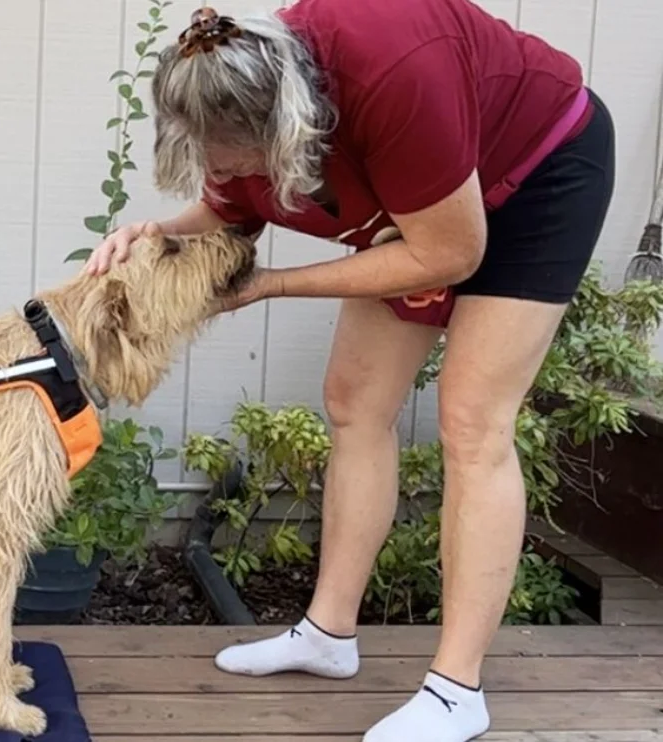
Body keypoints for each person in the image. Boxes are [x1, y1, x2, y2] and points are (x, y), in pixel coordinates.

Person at [83, 1, 616, 740]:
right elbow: (230, 213)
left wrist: (270, 286)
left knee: (471, 420)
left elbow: (449, 253)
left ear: (286, 126)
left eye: (230, 158)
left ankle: (458, 690)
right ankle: (330, 635)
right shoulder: (235, 89)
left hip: (537, 170)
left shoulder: (395, 69)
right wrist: (150, 234)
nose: (220, 174)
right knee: (354, 402)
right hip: (422, 203)